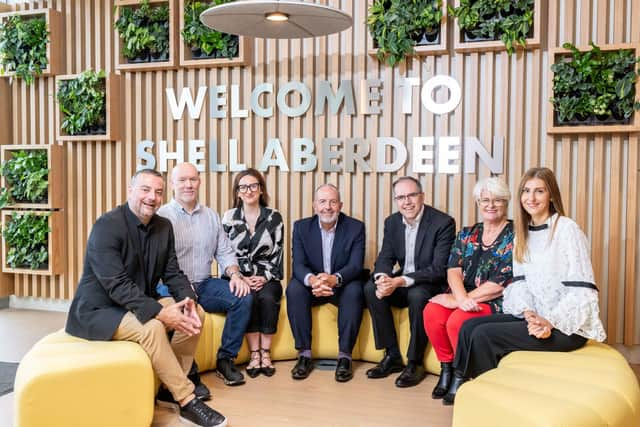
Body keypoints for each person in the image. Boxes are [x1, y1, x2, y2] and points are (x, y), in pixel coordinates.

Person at [65, 169, 226, 427]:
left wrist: (188, 301)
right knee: (151, 327)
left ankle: (167, 388)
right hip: (100, 311)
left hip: (137, 302)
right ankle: (186, 400)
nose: (152, 197)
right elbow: (116, 285)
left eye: (158, 191)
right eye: (145, 189)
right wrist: (160, 312)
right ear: (131, 191)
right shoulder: (107, 226)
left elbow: (173, 272)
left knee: (196, 313)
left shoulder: (164, 227)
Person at [443, 167, 607, 405]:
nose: (531, 198)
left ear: (551, 195)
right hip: (535, 317)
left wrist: (549, 321)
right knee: (469, 326)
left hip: (566, 326)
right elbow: (519, 285)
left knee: (483, 335)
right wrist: (528, 312)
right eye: (526, 191)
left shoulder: (567, 229)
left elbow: (583, 291)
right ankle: (467, 383)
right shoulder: (523, 233)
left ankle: (491, 402)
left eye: (539, 191)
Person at [158, 162, 252, 387]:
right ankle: (188, 372)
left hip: (205, 283)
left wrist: (235, 275)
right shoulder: (162, 217)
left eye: (192, 179)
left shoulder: (210, 216)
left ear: (199, 182)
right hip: (172, 287)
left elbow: (225, 252)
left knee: (243, 298)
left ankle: (226, 359)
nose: (188, 185)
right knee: (187, 310)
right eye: (182, 180)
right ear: (172, 184)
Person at [423, 177, 514, 400]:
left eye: (497, 200)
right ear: (477, 202)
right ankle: (447, 368)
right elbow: (453, 268)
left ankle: (462, 374)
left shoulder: (516, 235)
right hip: (464, 295)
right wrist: (461, 298)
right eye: (485, 200)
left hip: (497, 300)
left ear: (507, 202)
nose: (490, 205)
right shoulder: (467, 233)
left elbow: (501, 281)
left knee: (458, 320)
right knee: (432, 312)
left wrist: (458, 302)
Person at [364, 176, 456, 388]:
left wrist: (399, 281)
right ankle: (392, 355)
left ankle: (415, 363)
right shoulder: (392, 222)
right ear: (396, 200)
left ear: (422, 196)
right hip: (400, 281)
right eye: (401, 197)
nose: (407, 202)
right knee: (370, 288)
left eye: (412, 195)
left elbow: (438, 269)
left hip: (429, 283)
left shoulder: (443, 223)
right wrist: (383, 279)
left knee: (417, 295)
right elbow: (385, 257)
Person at [287, 184, 366, 382]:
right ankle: (304, 355)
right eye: (322, 202)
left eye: (332, 202)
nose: (327, 207)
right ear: (314, 206)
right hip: (313, 285)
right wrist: (314, 281)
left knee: (355, 290)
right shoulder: (301, 227)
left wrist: (334, 279)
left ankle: (345, 357)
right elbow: (298, 264)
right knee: (294, 289)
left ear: (340, 205)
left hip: (341, 284)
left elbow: (355, 265)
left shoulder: (356, 227)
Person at [221, 168, 284, 378]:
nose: (249, 191)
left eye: (253, 186)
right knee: (246, 296)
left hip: (267, 275)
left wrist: (264, 277)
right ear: (237, 192)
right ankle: (253, 354)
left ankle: (266, 353)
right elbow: (223, 251)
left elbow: (278, 252)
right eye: (243, 187)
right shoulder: (229, 218)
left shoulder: (274, 217)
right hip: (238, 276)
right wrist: (240, 277)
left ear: (261, 189)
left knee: (267, 297)